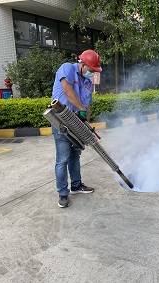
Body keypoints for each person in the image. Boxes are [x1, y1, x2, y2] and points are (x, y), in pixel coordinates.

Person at [51, 49, 102, 208]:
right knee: (63, 158)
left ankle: (76, 185)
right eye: (91, 70)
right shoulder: (67, 68)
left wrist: (86, 126)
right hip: (61, 119)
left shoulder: (87, 82)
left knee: (75, 155)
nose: (92, 73)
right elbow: (67, 90)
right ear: (82, 64)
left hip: (77, 123)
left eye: (94, 71)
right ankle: (63, 194)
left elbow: (86, 107)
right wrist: (80, 108)